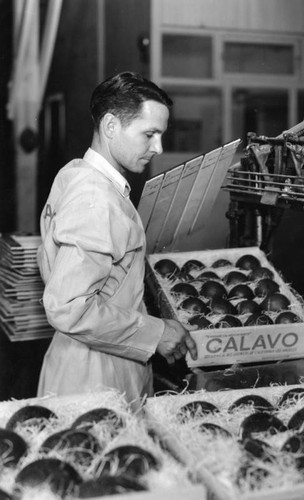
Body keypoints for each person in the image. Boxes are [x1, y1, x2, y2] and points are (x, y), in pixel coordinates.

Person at [37, 72, 197, 406]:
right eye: (149, 134)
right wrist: (157, 334)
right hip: (93, 379)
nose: (158, 148)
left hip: (92, 356)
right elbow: (68, 308)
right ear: (111, 126)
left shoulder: (76, 174)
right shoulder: (96, 199)